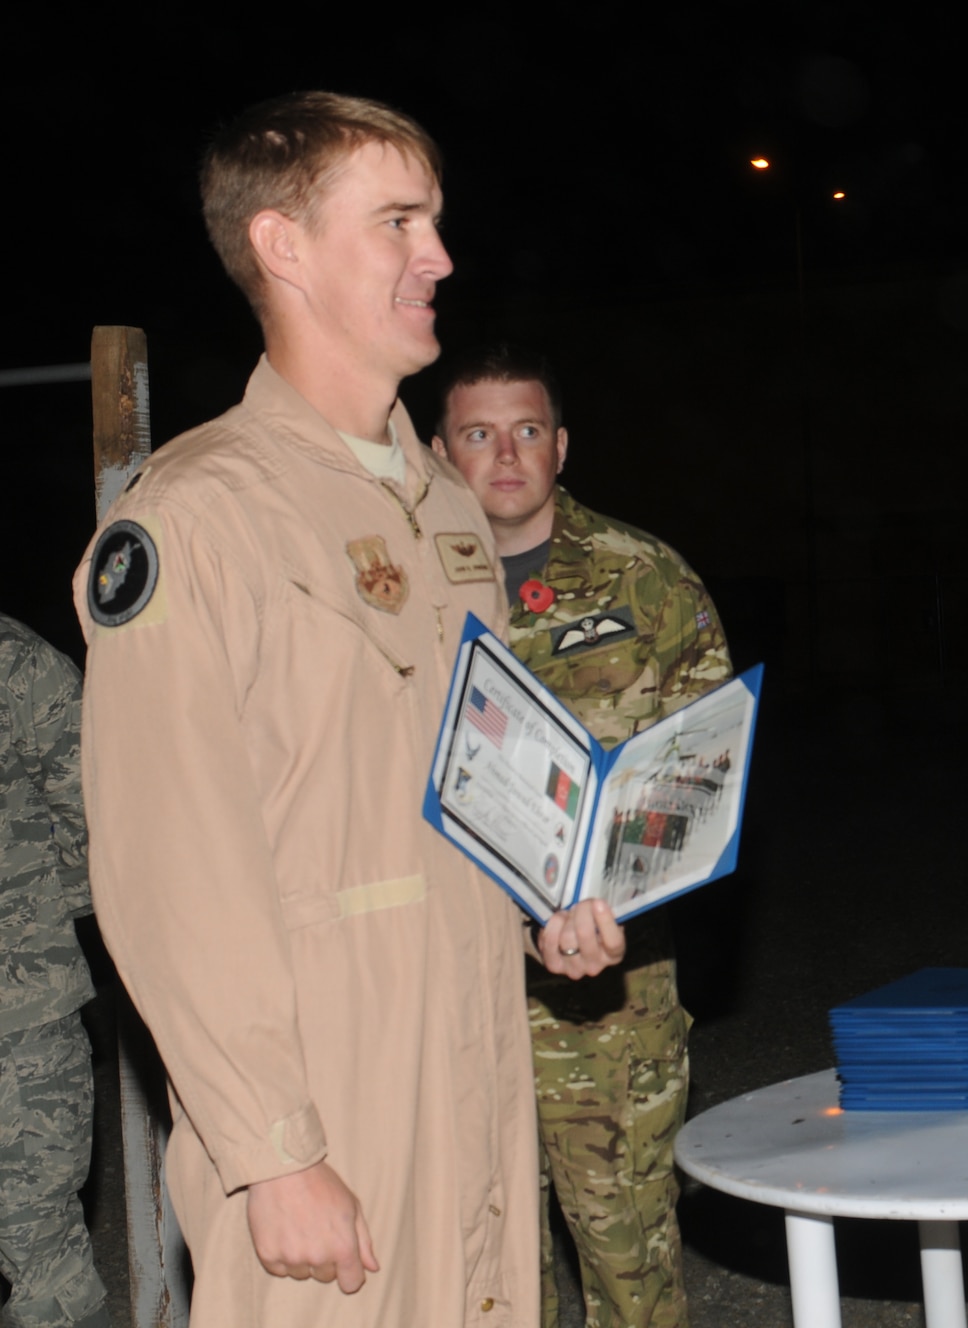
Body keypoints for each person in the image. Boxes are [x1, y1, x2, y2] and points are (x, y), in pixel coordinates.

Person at [71, 93, 624, 1328]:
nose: (438, 257)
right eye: (398, 222)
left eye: (433, 222)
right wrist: (272, 1147)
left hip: (471, 1059)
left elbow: (460, 764)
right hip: (323, 1092)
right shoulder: (199, 515)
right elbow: (170, 865)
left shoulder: (440, 503)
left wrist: (551, 886)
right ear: (283, 247)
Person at [432, 345, 730, 1328]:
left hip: (607, 999)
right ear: (441, 451)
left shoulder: (643, 579)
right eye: (478, 433)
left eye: (526, 430)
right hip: (448, 989)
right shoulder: (399, 597)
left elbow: (699, 769)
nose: (504, 454)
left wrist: (609, 896)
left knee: (627, 1271)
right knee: (471, 1272)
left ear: (560, 446)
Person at [0, 615, 108, 1328]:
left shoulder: (16, 663)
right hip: (21, 1011)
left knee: (45, 1266)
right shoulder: (15, 659)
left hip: (20, 1021)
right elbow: (91, 822)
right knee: (45, 1265)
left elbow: (96, 814)